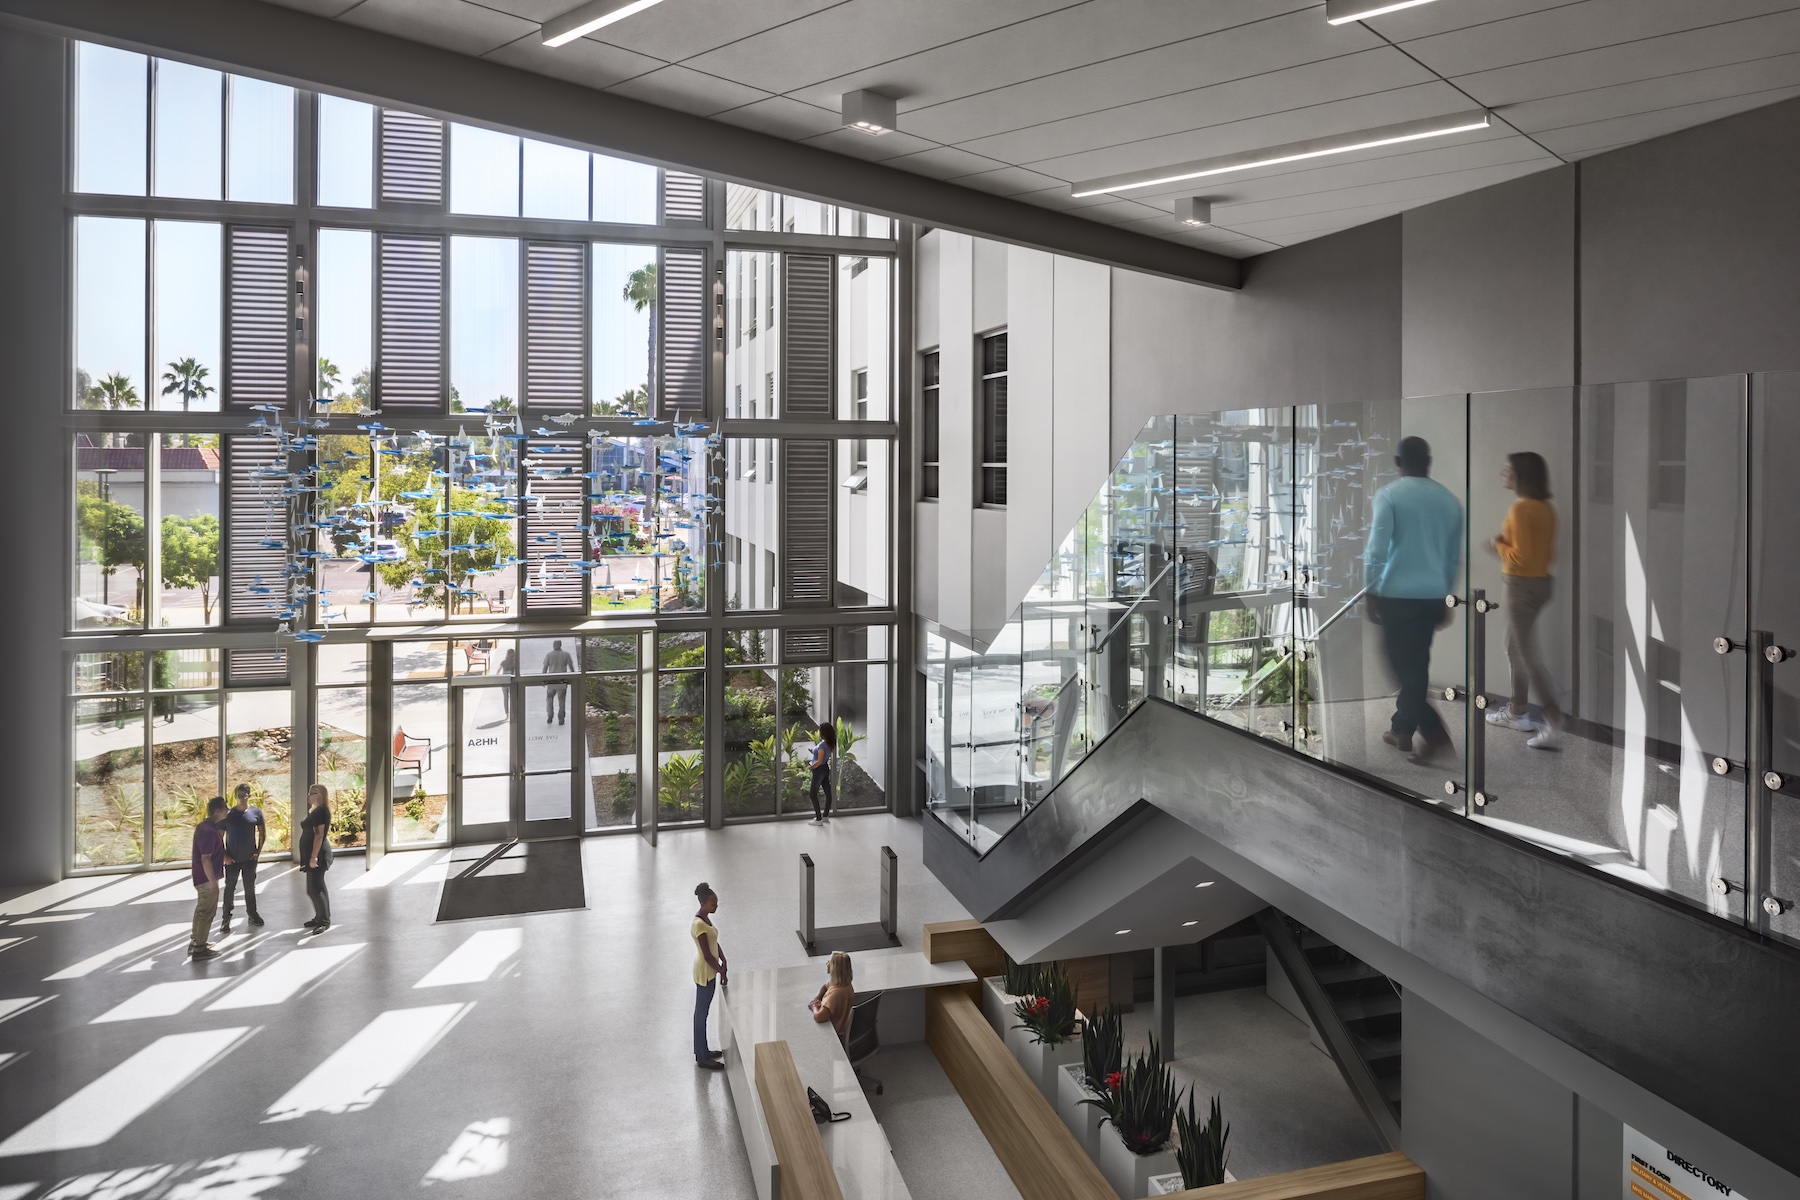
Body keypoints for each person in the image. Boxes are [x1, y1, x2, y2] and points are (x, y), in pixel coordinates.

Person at [1365, 436, 1465, 765]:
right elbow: (1453, 559)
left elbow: (1377, 551)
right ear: (1429, 461)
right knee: (1417, 666)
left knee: (1400, 669)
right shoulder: (1450, 502)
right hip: (1433, 594)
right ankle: (1402, 730)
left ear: (1398, 462)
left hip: (1397, 595)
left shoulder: (1390, 496)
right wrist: (1445, 595)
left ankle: (1435, 736)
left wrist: (1371, 591)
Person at [1483, 451, 1561, 750]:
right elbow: (1545, 554)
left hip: (1520, 586)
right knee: (1513, 647)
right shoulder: (1545, 508)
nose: (1504, 472)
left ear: (1522, 476)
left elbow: (1520, 556)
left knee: (1526, 654)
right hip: (1540, 584)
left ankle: (1553, 719)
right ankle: (1517, 713)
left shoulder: (1521, 510)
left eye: (1509, 469)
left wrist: (1498, 544)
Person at [219, 782, 266, 935]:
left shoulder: (256, 813)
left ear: (249, 796)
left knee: (249, 888)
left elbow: (262, 833)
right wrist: (225, 855)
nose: (241, 798)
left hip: (249, 859)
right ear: (236, 797)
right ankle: (226, 919)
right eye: (239, 796)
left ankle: (252, 914)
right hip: (232, 860)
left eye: (244, 795)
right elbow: (218, 837)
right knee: (230, 889)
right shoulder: (229, 814)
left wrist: (258, 852)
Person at [692, 882, 728, 1071]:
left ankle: (704, 1051)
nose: (716, 906)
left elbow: (714, 941)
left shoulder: (705, 919)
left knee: (703, 1013)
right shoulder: (698, 924)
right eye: (713, 904)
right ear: (703, 903)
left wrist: (723, 960)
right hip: (704, 973)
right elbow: (706, 955)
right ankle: (702, 1057)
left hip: (710, 970)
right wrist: (720, 969)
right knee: (701, 1015)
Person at [188, 796, 228, 961]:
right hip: (206, 879)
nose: (227, 811)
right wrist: (213, 881)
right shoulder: (208, 831)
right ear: (218, 811)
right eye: (225, 808)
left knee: (200, 911)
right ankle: (199, 949)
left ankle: (196, 941)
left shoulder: (206, 827)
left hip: (202, 878)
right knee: (207, 912)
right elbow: (205, 858)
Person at [300, 784, 333, 934]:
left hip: (317, 855)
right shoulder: (318, 810)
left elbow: (319, 835)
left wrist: (313, 857)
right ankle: (320, 916)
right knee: (316, 887)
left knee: (315, 889)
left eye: (311, 794)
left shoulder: (321, 811)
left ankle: (324, 920)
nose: (308, 796)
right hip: (314, 854)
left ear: (318, 794)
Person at [807, 952, 856, 1043]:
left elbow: (819, 1017)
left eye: (829, 962)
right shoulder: (845, 984)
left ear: (834, 968)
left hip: (835, 1035)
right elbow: (825, 986)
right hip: (843, 1028)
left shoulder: (834, 995)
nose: (827, 964)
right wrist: (817, 997)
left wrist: (814, 1006)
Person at [806, 721, 837, 825]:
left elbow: (819, 761)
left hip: (819, 770)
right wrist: (813, 751)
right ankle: (826, 816)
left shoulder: (822, 745)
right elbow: (822, 756)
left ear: (823, 732)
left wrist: (810, 767)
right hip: (825, 769)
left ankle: (818, 819)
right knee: (828, 792)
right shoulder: (829, 743)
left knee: (812, 794)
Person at [542, 640, 575, 725]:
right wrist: (574, 677)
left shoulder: (549, 655)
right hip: (562, 681)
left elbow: (545, 668)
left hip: (551, 681)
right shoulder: (566, 654)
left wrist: (543, 679)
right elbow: (571, 667)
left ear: (553, 645)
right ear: (560, 645)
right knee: (561, 700)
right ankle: (561, 718)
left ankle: (550, 715)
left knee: (549, 698)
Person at [498, 645, 518, 716]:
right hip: (511, 681)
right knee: (512, 697)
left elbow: (498, 671)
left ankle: (507, 713)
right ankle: (513, 711)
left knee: (505, 698)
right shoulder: (514, 663)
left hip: (504, 681)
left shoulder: (503, 662)